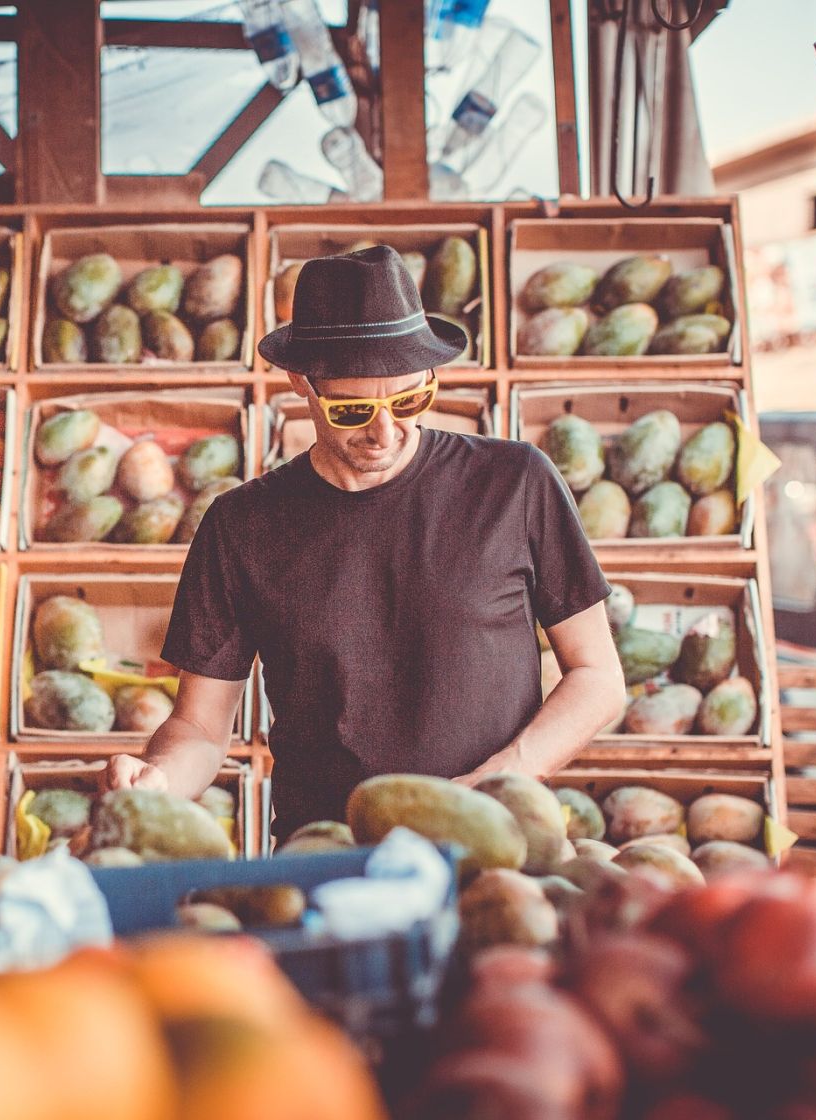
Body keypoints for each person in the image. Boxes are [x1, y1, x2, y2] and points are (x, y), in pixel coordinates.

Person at [105, 245, 627, 842]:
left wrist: (499, 779)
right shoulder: (241, 525)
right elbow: (199, 725)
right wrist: (159, 781)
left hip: (496, 843)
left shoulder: (515, 483)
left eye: (409, 400)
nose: (384, 432)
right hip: (326, 852)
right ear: (302, 381)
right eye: (352, 408)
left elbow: (597, 675)